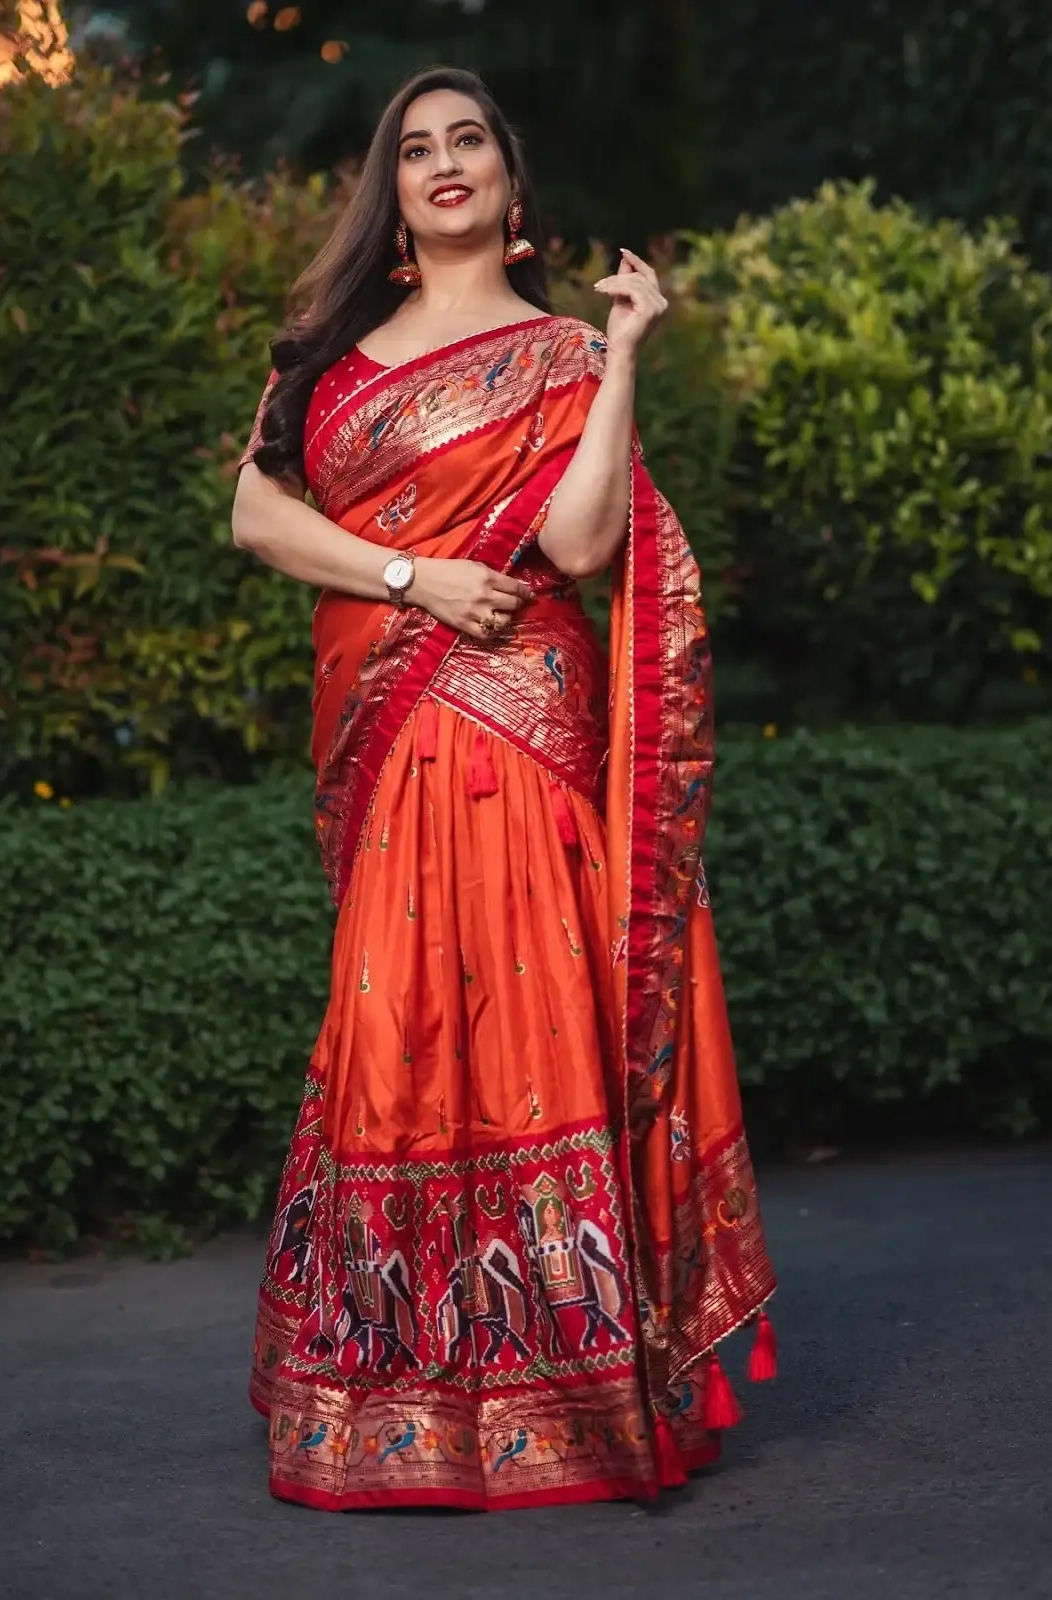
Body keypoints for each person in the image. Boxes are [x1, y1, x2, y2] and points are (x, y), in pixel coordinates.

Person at [232, 64, 777, 1513]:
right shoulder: (329, 356)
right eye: (417, 148)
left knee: (536, 1023)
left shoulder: (558, 360)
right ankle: (386, 1396)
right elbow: (256, 514)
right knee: (393, 1029)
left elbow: (590, 544)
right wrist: (418, 573)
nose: (445, 161)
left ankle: (568, 1393)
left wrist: (625, 349)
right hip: (398, 740)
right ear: (392, 194)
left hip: (527, 737)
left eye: (469, 138)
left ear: (511, 190)